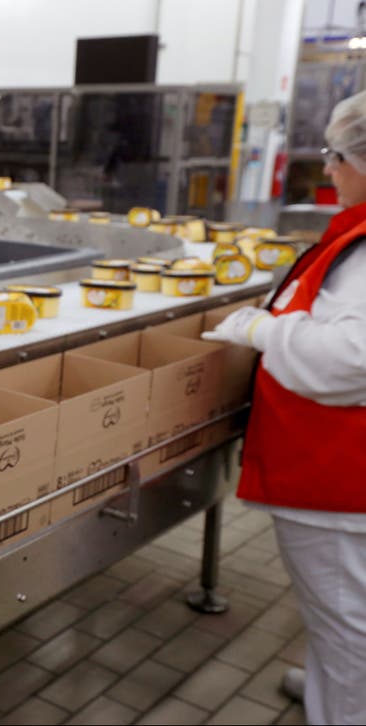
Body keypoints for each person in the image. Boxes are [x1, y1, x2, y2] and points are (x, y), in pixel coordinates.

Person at [203, 90, 366, 725]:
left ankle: (343, 704)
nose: (327, 169)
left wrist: (261, 331)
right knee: (341, 612)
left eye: (336, 155)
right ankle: (334, 684)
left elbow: (348, 360)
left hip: (336, 471)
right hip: (337, 468)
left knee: (347, 619)